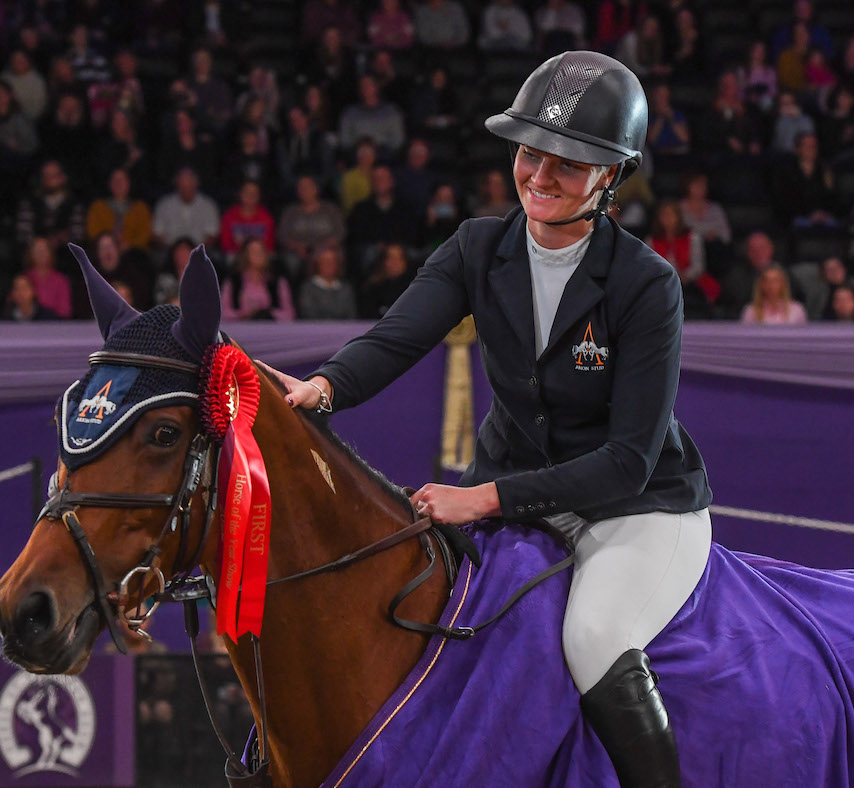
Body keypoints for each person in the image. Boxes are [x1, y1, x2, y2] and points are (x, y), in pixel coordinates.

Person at [269, 51, 709, 788]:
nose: (540, 176)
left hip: (635, 507)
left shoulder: (646, 284)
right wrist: (324, 387)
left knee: (595, 638)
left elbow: (627, 461)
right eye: (531, 153)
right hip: (515, 483)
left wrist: (482, 499)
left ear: (610, 176)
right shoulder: (478, 247)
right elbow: (395, 338)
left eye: (567, 164)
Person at [220, 238, 295, 322]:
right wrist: (243, 314)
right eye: (254, 252)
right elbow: (222, 313)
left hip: (270, 326)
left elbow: (289, 314)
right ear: (245, 256)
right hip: (240, 326)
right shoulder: (233, 281)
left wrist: (267, 314)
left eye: (262, 251)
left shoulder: (278, 282)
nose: (259, 255)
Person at [297, 242, 358, 319]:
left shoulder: (346, 289)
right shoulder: (308, 288)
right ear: (318, 263)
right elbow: (308, 315)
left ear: (338, 264)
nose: (329, 265)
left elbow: (352, 315)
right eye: (325, 261)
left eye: (333, 261)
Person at [739, 264, 806, 324]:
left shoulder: (797, 310)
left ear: (783, 284)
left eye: (775, 280)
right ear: (761, 284)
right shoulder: (750, 311)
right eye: (766, 280)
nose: (770, 285)